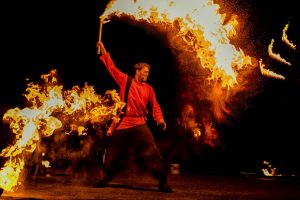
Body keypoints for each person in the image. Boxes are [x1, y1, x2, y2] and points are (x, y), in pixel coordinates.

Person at [94, 41, 172, 193]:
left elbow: (155, 106)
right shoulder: (125, 80)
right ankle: (105, 178)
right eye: (144, 72)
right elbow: (111, 67)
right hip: (123, 124)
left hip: (140, 124)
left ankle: (163, 182)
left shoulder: (149, 89)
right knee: (113, 154)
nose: (147, 74)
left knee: (152, 151)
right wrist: (103, 49)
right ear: (137, 71)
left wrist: (160, 120)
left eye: (148, 72)